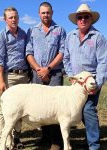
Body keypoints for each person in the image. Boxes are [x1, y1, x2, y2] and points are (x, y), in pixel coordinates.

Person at [63, 4, 107, 150]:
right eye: (79, 17)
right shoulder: (70, 36)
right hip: (77, 82)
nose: (82, 19)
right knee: (77, 110)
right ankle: (89, 139)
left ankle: (94, 145)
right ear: (76, 20)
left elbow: (103, 62)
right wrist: (71, 75)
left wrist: (98, 83)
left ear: (91, 19)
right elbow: (66, 58)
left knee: (88, 109)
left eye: (86, 16)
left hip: (91, 81)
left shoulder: (99, 37)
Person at [26, 2, 66, 150]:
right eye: (43, 13)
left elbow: (62, 52)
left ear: (52, 12)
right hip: (37, 73)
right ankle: (45, 138)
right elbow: (28, 53)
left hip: (54, 73)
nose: (45, 15)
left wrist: (48, 69)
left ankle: (56, 141)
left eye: (48, 12)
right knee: (41, 106)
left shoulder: (60, 30)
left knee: (55, 108)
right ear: (39, 14)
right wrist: (39, 69)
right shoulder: (32, 30)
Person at [0, 7, 29, 149]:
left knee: (20, 108)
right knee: (5, 109)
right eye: (10, 17)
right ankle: (3, 137)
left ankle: (16, 137)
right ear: (5, 19)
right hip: (10, 76)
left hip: (24, 76)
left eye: (15, 17)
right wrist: (1, 80)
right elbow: (0, 59)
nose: (13, 19)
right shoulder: (1, 36)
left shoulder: (23, 34)